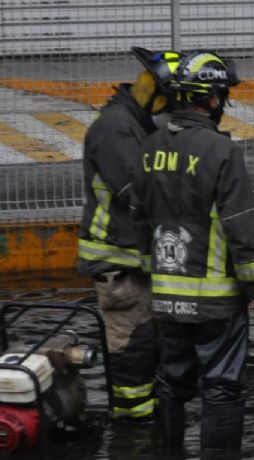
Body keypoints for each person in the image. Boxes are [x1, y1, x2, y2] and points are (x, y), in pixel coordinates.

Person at [133, 50, 254, 452]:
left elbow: (138, 220)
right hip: (216, 303)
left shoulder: (150, 147)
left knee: (171, 382)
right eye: (222, 94)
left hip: (167, 296)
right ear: (211, 98)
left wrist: (153, 275)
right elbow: (241, 225)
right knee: (223, 387)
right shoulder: (222, 151)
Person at [77, 47, 181, 421]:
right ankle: (133, 435)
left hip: (130, 259)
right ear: (155, 94)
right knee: (131, 349)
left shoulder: (132, 123)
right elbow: (136, 191)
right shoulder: (116, 128)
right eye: (170, 100)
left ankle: (145, 424)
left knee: (146, 344)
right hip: (117, 261)